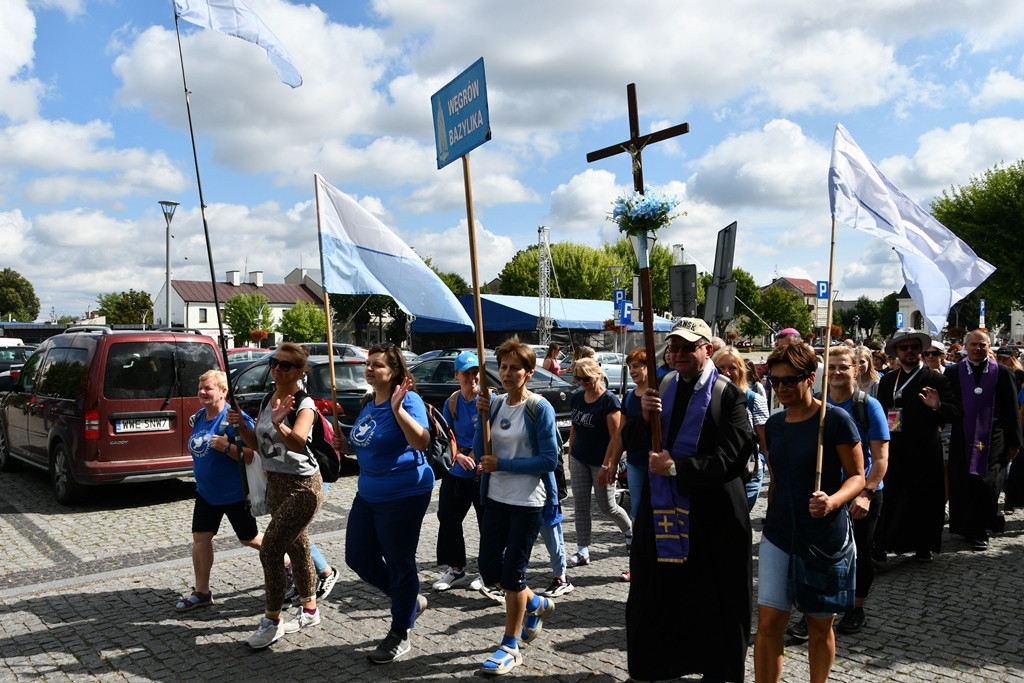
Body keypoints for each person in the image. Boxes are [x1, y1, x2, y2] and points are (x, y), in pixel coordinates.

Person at [622, 318, 753, 683]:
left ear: (707, 349)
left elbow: (731, 459)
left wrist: (676, 467)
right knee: (661, 592)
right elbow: (632, 439)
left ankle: (718, 672)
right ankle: (660, 667)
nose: (678, 354)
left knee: (714, 599)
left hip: (713, 517)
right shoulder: (661, 385)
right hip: (664, 509)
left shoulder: (728, 394)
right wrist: (645, 415)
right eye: (673, 347)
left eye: (688, 347)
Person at [754, 342, 864, 683]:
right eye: (775, 381)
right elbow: (776, 481)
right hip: (779, 534)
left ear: (810, 378)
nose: (782, 387)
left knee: (819, 624)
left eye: (790, 380)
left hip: (823, 537)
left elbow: (858, 476)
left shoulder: (834, 420)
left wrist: (833, 501)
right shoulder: (773, 425)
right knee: (770, 623)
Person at [334, 343, 433, 663]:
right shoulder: (368, 403)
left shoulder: (408, 400)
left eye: (377, 365)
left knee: (399, 561)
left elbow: (421, 441)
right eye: (368, 364)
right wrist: (346, 445)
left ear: (394, 373)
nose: (370, 369)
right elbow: (366, 444)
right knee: (358, 557)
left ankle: (400, 631)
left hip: (404, 494)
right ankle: (407, 600)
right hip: (369, 494)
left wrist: (398, 409)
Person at [474, 336, 559, 675]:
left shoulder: (539, 407)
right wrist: (479, 417)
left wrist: (504, 465)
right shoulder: (494, 404)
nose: (506, 373)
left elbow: (550, 460)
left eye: (514, 368)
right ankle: (535, 603)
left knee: (513, 575)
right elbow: (482, 451)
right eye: (503, 367)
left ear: (529, 372)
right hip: (495, 497)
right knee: (489, 570)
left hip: (527, 501)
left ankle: (510, 645)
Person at [230, 343, 324, 649]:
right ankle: (309, 610)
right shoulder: (268, 399)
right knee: (298, 548)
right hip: (277, 486)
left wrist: (279, 423)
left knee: (270, 550)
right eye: (274, 362)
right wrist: (241, 424)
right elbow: (256, 445)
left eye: (284, 365)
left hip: (303, 487)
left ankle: (272, 620)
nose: (277, 369)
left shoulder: (304, 403)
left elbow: (297, 443)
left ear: (298, 371)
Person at [176, 369, 261, 612]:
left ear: (224, 392)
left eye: (208, 388)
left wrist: (227, 448)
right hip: (206, 493)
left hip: (234, 493)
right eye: (200, 387)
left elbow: (254, 455)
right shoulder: (200, 416)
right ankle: (202, 592)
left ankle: (287, 562)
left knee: (249, 538)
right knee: (201, 539)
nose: (202, 392)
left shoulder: (235, 419)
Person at [875, 329, 957, 563]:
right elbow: (881, 412)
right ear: (897, 352)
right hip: (895, 449)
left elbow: (955, 412)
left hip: (925, 450)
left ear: (920, 350)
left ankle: (924, 545)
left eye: (914, 347)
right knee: (891, 498)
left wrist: (938, 406)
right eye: (904, 347)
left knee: (925, 501)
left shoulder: (937, 379)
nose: (909, 351)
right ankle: (882, 546)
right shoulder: (888, 380)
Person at [825, 346, 889, 634]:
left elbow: (882, 458)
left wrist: (868, 492)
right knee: (822, 552)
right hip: (828, 492)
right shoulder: (817, 404)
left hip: (863, 492)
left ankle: (856, 608)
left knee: (860, 553)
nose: (837, 372)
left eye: (843, 367)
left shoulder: (868, 406)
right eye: (832, 367)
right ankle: (818, 610)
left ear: (856, 369)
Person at [945, 330, 1022, 551]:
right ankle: (967, 527)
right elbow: (950, 406)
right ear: (965, 347)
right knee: (965, 483)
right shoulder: (953, 373)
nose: (978, 349)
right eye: (974, 345)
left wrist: (1014, 442)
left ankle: (983, 528)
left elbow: (1011, 410)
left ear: (990, 346)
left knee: (988, 484)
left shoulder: (1004, 373)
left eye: (983, 345)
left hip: (994, 437)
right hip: (963, 436)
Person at [566, 357, 631, 568]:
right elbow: (575, 426)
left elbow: (616, 437)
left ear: (597, 375)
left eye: (586, 378)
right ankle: (582, 550)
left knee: (607, 506)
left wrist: (607, 465)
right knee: (581, 506)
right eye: (578, 378)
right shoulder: (577, 398)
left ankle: (631, 533)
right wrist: (570, 454)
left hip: (600, 461)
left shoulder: (609, 401)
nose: (582, 382)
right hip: (579, 458)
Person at [433, 351, 485, 592]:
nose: (472, 377)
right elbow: (447, 437)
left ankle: (488, 571)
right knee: (448, 517)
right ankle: (455, 569)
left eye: (475, 372)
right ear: (457, 375)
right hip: (458, 469)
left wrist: (479, 458)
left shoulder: (487, 399)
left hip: (482, 471)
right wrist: (459, 456)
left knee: (488, 523)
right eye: (466, 373)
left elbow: (492, 435)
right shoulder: (452, 401)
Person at [713, 346, 770, 512]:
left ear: (741, 371)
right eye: (721, 367)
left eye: (732, 368)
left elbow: (765, 443)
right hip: (714, 474)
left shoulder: (754, 400)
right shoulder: (704, 399)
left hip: (746, 475)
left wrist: (774, 477)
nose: (726, 372)